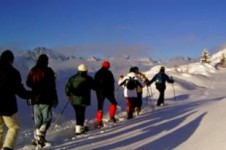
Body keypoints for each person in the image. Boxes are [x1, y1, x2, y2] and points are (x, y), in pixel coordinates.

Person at [0, 50, 31, 150]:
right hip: (7, 105)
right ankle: (7, 148)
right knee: (14, 126)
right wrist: (30, 95)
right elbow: (19, 91)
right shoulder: (13, 72)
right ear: (11, 60)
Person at [26, 54, 58, 148]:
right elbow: (52, 86)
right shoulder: (49, 71)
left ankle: (38, 139)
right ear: (46, 61)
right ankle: (41, 134)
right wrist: (55, 98)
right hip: (46, 98)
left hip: (35, 98)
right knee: (47, 118)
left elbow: (28, 83)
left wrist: (34, 89)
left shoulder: (33, 70)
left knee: (38, 120)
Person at [65, 64, 95, 135]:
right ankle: (79, 128)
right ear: (86, 70)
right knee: (81, 113)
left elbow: (67, 87)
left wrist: (68, 95)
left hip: (74, 99)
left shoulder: (72, 78)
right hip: (83, 99)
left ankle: (79, 128)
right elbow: (94, 86)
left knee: (78, 113)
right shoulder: (88, 78)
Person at [94, 60, 118, 128]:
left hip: (99, 92)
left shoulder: (98, 73)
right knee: (114, 103)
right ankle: (112, 117)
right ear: (108, 66)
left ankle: (99, 122)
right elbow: (112, 82)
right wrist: (112, 90)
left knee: (100, 106)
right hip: (109, 91)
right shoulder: (109, 73)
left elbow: (95, 83)